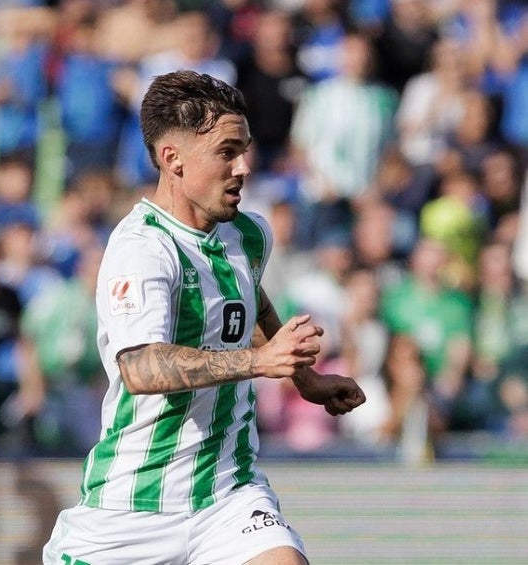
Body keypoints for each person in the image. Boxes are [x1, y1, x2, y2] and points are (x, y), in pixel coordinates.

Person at [42, 69, 366, 565]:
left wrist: (305, 379)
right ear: (172, 158)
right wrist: (260, 362)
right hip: (134, 506)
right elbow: (141, 368)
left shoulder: (248, 234)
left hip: (229, 494)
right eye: (227, 152)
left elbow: (247, 296)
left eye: (245, 150)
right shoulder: (142, 249)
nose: (244, 167)